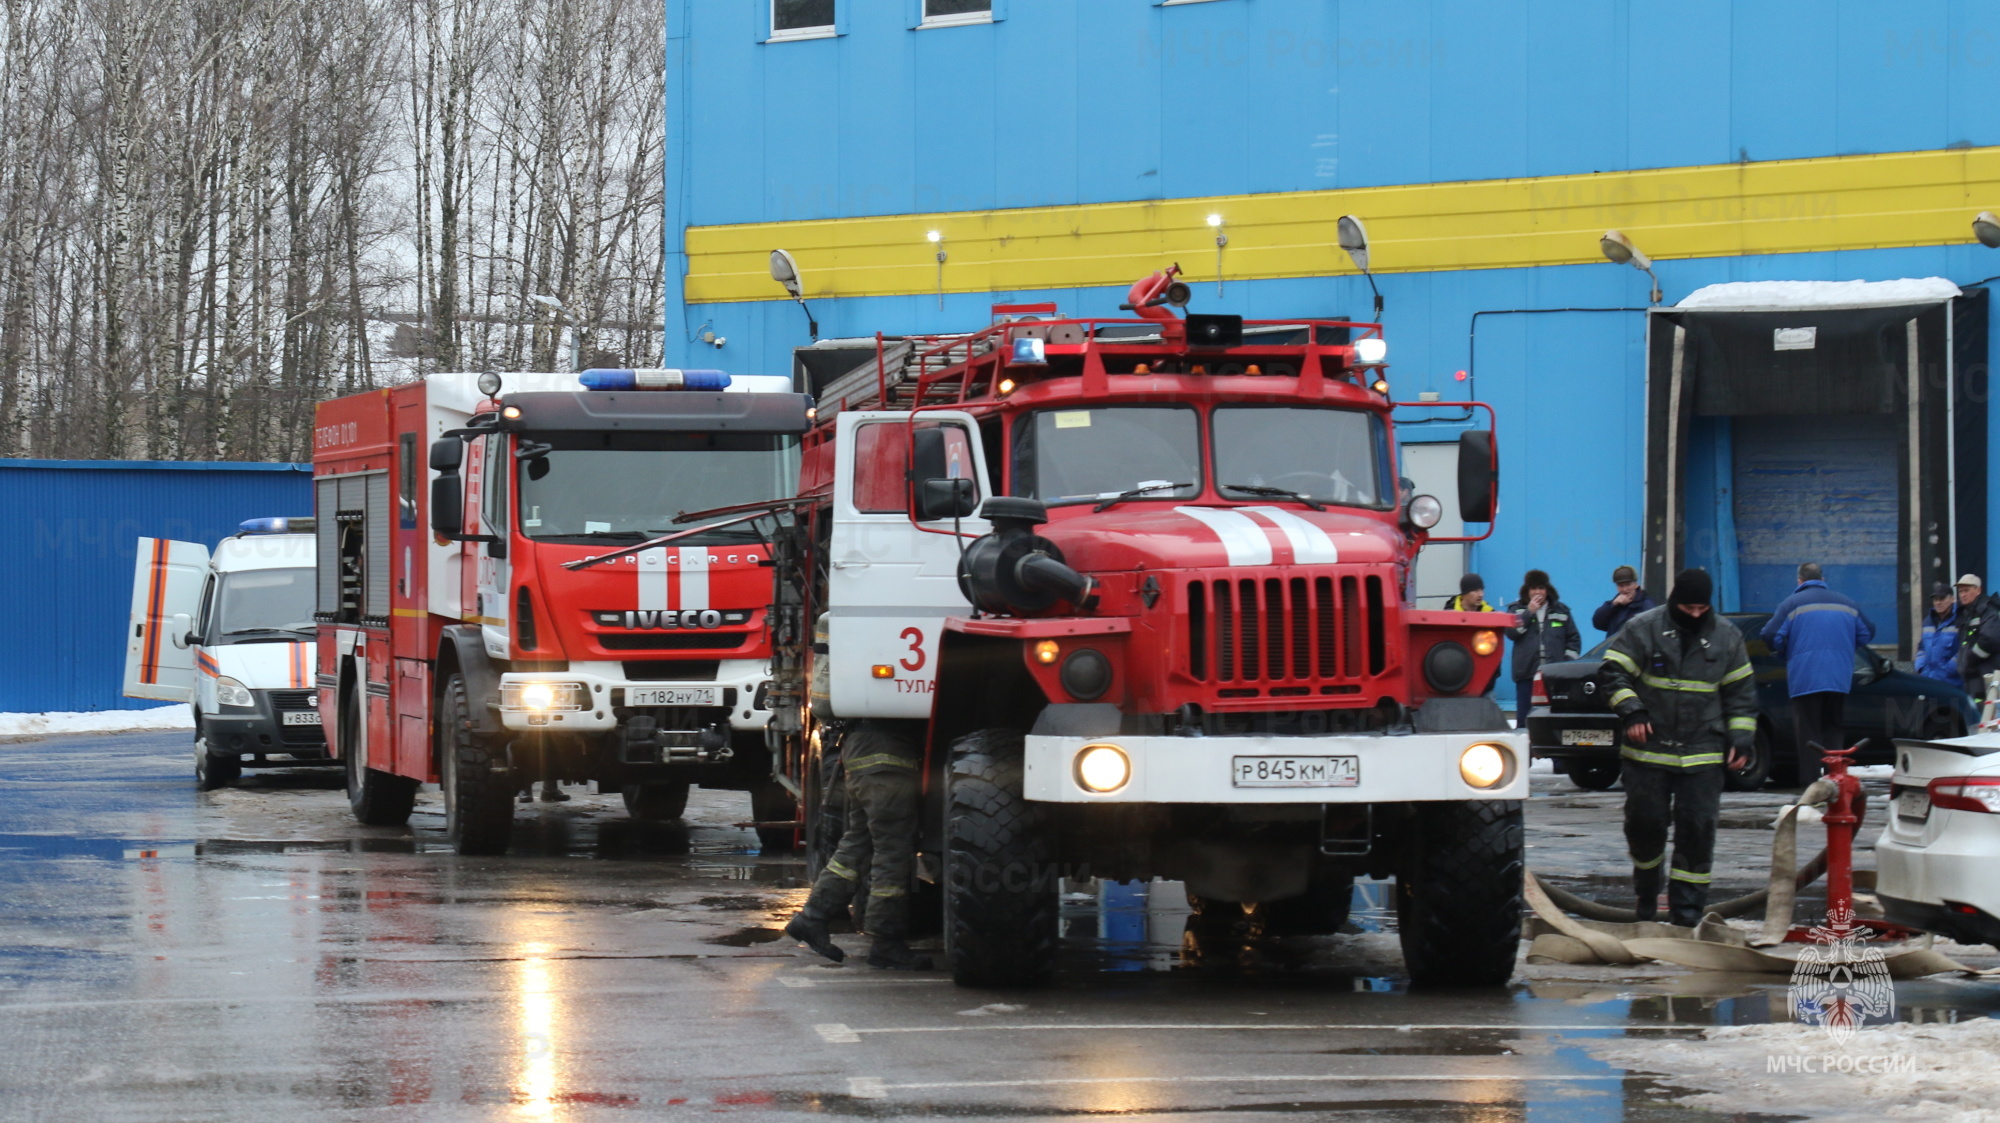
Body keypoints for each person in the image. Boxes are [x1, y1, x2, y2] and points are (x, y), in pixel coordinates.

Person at [1600, 568, 1756, 927]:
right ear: (1674, 603)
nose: (1696, 616)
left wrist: (1742, 738)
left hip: (1703, 753)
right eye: (1689, 609)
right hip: (1648, 754)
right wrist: (1633, 712)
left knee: (1698, 829)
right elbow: (1613, 673)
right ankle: (1647, 892)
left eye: (1703, 609)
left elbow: (1741, 697)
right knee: (1645, 824)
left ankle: (1687, 913)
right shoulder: (1644, 628)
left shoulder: (1727, 637)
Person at [784, 722, 930, 970]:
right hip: (888, 759)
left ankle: (812, 917)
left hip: (861, 752)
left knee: (856, 846)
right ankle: (886, 942)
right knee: (892, 851)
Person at [1762, 562, 1874, 788]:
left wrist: (1784, 651)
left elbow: (1769, 634)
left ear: (1799, 581)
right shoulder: (1847, 603)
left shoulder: (1791, 604)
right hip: (1838, 678)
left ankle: (1812, 787)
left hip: (1805, 678)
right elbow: (1867, 631)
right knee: (1833, 729)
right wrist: (1844, 646)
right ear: (1822, 579)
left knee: (1809, 735)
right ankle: (1835, 784)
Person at [1507, 569, 1580, 727]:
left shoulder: (1561, 610)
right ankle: (1527, 750)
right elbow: (1512, 633)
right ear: (1527, 590)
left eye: (1541, 588)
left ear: (1547, 589)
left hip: (1554, 676)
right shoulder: (1516, 610)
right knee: (1525, 720)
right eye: (1533, 588)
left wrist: (1566, 665)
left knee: (1555, 718)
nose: (1537, 592)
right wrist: (1529, 613)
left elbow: (1574, 639)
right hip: (1527, 675)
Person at [1954, 575, 2000, 699]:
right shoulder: (1965, 613)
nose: (1963, 595)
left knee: (1985, 713)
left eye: (1966, 590)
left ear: (1978, 590)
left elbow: (1989, 640)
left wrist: (1969, 659)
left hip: (1985, 676)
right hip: (1971, 677)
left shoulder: (1988, 611)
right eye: (1960, 591)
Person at [1916, 582, 1964, 688]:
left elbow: (1964, 649)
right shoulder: (1928, 621)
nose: (1938, 602)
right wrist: (1921, 667)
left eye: (1942, 599)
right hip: (1929, 681)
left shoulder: (1960, 620)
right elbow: (1921, 647)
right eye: (1935, 599)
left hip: (1952, 683)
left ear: (1952, 599)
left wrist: (1949, 669)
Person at [1592, 564, 1658, 641]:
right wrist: (1613, 605)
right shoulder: (1614, 604)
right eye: (1621, 586)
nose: (1625, 589)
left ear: (1636, 585)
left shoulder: (1646, 604)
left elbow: (1653, 630)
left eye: (1628, 584)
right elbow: (1597, 623)